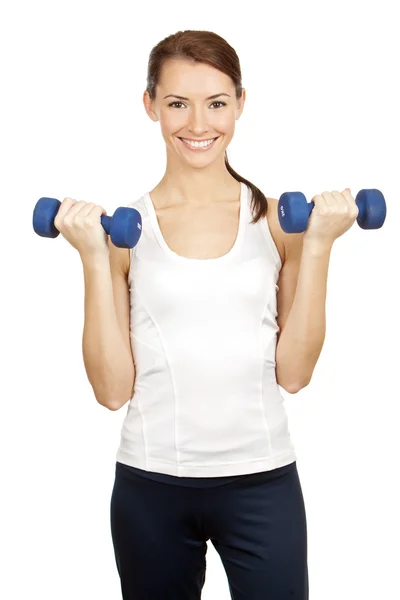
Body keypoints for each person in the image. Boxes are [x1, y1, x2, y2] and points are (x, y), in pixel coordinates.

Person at [55, 29, 359, 600]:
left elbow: (294, 374)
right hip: (151, 486)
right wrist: (95, 258)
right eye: (177, 103)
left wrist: (318, 246)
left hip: (262, 484)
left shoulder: (278, 223)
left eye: (217, 102)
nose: (199, 123)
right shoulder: (127, 232)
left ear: (241, 103)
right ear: (150, 105)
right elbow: (112, 391)